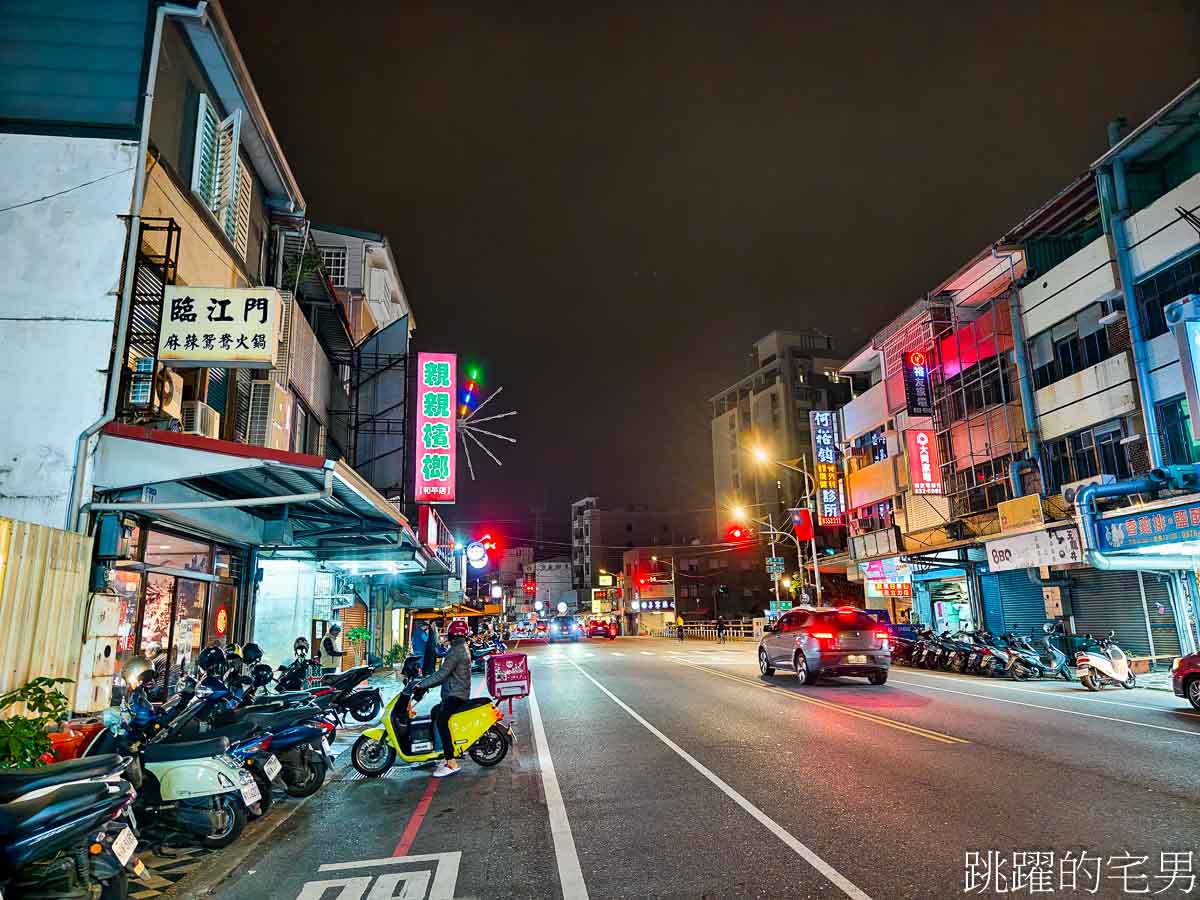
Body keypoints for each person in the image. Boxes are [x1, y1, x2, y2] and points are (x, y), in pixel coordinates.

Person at [414, 619, 472, 778]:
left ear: (451, 634)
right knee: (434, 712)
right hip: (457, 692)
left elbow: (442, 674)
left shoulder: (456, 651)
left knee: (441, 720)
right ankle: (437, 753)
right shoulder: (460, 647)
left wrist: (422, 684)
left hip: (456, 694)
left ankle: (451, 762)